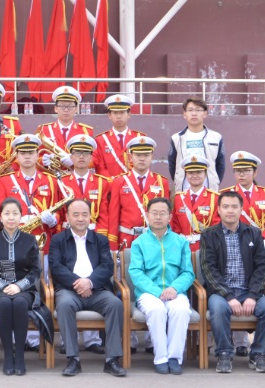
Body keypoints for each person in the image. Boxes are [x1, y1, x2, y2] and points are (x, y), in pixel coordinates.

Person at [200, 190, 265, 373]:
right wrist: (228, 296)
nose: (230, 210)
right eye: (225, 206)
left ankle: (258, 353)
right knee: (218, 309)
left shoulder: (254, 233)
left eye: (234, 207)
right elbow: (209, 270)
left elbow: (261, 268)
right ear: (218, 210)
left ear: (241, 209)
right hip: (221, 292)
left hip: (248, 291)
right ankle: (224, 354)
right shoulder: (209, 235)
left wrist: (252, 295)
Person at [48, 198, 126, 378]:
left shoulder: (100, 240)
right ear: (67, 217)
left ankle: (112, 360)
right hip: (69, 290)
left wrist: (89, 282)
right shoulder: (58, 240)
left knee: (115, 304)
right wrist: (78, 283)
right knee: (64, 305)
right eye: (75, 215)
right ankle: (73, 359)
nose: (80, 218)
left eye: (84, 214)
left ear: (90, 217)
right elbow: (56, 267)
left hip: (97, 290)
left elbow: (107, 266)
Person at [56, 138, 112, 356]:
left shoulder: (102, 182)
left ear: (91, 157)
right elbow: (59, 212)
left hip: (95, 240)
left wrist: (103, 239)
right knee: (70, 286)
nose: (81, 157)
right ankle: (67, 340)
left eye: (85, 153)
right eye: (77, 153)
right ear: (70, 157)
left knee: (93, 281)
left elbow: (105, 213)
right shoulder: (61, 181)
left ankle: (92, 340)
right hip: (68, 238)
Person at [128, 197, 194, 375]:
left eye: (162, 213)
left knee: (181, 310)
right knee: (157, 309)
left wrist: (174, 288)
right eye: (154, 213)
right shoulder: (139, 243)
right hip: (148, 293)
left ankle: (174, 358)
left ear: (170, 217)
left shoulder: (180, 242)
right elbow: (136, 273)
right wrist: (157, 292)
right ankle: (161, 358)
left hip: (175, 291)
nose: (158, 217)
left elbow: (188, 273)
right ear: (147, 215)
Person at [0, 198, 42, 375]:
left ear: (21, 216)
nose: (11, 217)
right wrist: (3, 286)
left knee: (20, 303)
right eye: (7, 213)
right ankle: (8, 356)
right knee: (5, 303)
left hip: (24, 289)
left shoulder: (30, 240)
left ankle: (19, 355)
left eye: (15, 213)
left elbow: (35, 271)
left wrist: (19, 286)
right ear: (0, 217)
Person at [0, 134, 63, 253]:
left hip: (43, 244)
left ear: (37, 155)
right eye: (22, 153)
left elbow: (57, 212)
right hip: (12, 243)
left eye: (31, 153)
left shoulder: (50, 181)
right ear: (16, 156)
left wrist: (53, 221)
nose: (27, 156)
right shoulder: (5, 181)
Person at [107, 136, 168, 251]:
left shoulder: (161, 182)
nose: (142, 159)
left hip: (154, 239)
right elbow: (114, 215)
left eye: (146, 155)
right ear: (131, 157)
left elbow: (166, 215)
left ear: (152, 157)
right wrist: (113, 246)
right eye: (138, 155)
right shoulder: (119, 182)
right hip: (127, 240)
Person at [221, 151, 265, 249]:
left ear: (255, 173)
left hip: (260, 242)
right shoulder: (226, 194)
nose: (241, 174)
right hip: (235, 244)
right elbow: (220, 223)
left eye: (246, 171)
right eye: (238, 171)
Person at [168, 98, 225, 192]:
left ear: (205, 113)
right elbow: (172, 165)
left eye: (198, 110)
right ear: (184, 114)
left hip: (209, 189)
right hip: (184, 189)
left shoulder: (216, 137)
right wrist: (179, 180)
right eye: (190, 110)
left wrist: (214, 181)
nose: (194, 113)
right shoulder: (176, 138)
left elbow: (220, 165)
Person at [35, 85, 93, 176]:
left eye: (70, 106)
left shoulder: (86, 131)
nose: (66, 110)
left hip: (75, 178)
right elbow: (33, 157)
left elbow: (94, 160)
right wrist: (42, 161)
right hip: (51, 178)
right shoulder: (44, 130)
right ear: (55, 108)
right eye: (62, 106)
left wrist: (75, 160)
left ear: (76, 109)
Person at [170, 156, 220, 251]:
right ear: (186, 175)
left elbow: (216, 226)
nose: (195, 176)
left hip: (205, 247)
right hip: (182, 247)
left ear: (205, 174)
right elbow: (175, 226)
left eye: (199, 172)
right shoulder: (178, 198)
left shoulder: (214, 198)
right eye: (190, 173)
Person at [92, 94, 144, 178]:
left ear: (129, 114)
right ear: (109, 115)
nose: (119, 116)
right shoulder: (101, 140)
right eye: (115, 113)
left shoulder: (138, 138)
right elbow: (100, 168)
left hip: (132, 184)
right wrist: (115, 183)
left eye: (122, 112)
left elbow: (143, 166)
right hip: (109, 184)